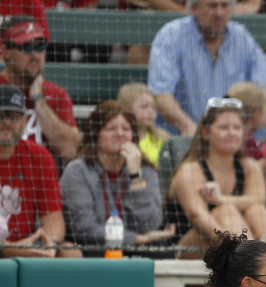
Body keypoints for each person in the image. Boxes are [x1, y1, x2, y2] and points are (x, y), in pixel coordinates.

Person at [149, 0, 266, 136]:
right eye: (212, 6)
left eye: (224, 6)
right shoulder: (171, 35)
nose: (219, 13)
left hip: (233, 137)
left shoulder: (241, 37)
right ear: (194, 8)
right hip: (180, 135)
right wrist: (189, 128)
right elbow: (161, 95)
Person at [60, 102, 176, 257]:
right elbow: (84, 228)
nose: (120, 134)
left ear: (133, 136)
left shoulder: (146, 171)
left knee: (164, 255)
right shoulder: (77, 171)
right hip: (94, 249)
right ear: (96, 134)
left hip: (139, 251)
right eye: (111, 128)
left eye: (126, 129)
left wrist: (135, 177)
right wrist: (136, 239)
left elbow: (150, 225)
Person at [168, 97, 266, 256]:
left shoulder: (249, 167)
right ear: (205, 133)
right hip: (187, 250)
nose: (231, 133)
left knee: (256, 211)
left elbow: (258, 200)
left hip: (235, 245)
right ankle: (249, 260)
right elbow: (197, 216)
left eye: (236, 127)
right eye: (224, 127)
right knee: (225, 211)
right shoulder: (190, 170)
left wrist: (221, 199)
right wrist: (231, 248)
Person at [0, 86, 81, 259]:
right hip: (8, 247)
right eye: (0, 115)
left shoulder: (39, 157)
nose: (6, 122)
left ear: (24, 121)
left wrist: (50, 244)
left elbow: (53, 219)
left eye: (13, 116)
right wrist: (9, 248)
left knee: (70, 251)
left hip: (27, 246)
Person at [0, 16, 81, 160]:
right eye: (26, 47)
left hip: (40, 178)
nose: (35, 55)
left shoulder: (55, 93)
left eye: (40, 47)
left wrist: (39, 101)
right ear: (5, 51)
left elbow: (72, 150)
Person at [117, 82, 172, 169]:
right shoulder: (119, 139)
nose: (151, 112)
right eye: (144, 107)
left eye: (153, 107)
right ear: (127, 109)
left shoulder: (162, 138)